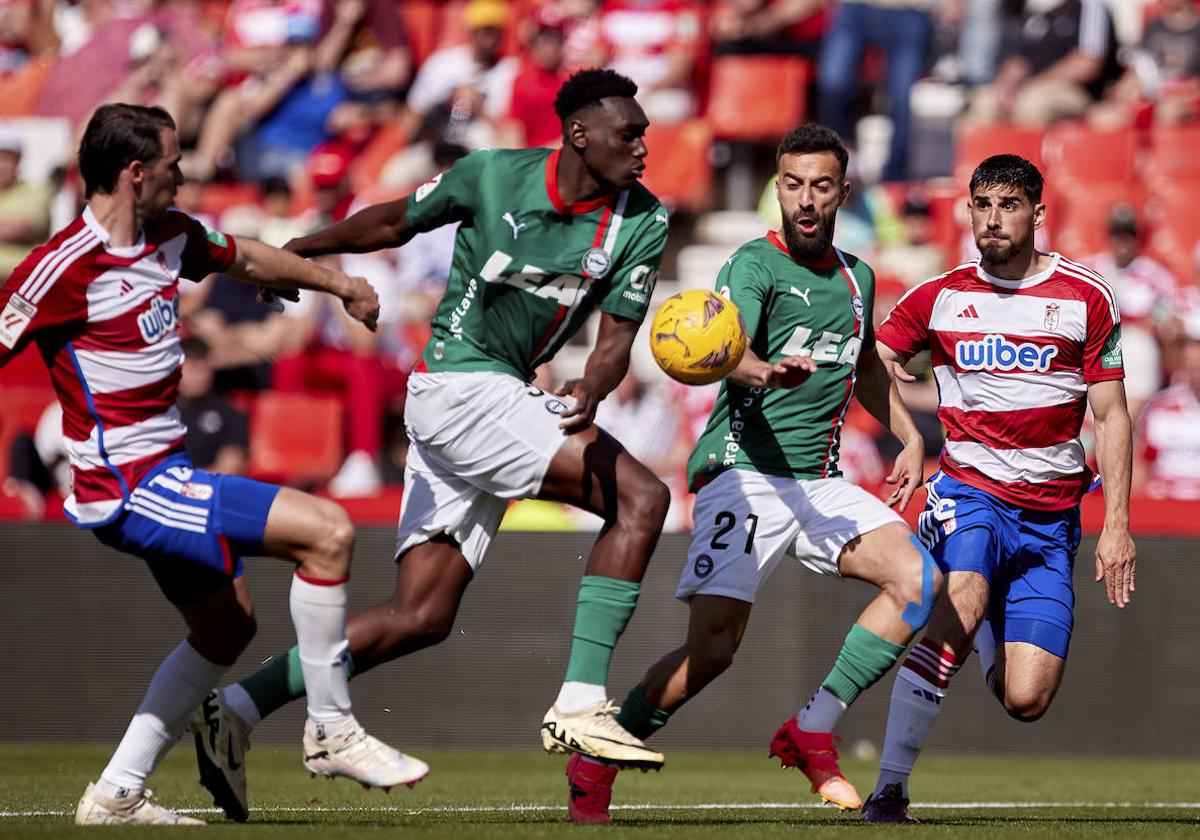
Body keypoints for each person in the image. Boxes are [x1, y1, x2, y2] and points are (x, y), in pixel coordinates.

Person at [191, 68, 674, 821]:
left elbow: (617, 341)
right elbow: (392, 222)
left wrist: (596, 386)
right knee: (643, 499)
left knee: (422, 613)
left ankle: (237, 710)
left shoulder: (642, 220)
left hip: (498, 397)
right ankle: (581, 700)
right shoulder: (493, 174)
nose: (644, 147)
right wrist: (303, 254)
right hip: (458, 385)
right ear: (580, 133)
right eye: (629, 133)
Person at [0, 103, 425, 826]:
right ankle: (330, 729)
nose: (184, 171)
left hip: (166, 470)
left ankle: (116, 795)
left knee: (228, 629)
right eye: (173, 161)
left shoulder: (171, 236)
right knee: (327, 531)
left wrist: (341, 284)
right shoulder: (60, 269)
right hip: (129, 486)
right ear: (136, 173)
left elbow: (248, 256)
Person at [563, 123, 940, 824]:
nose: (805, 200)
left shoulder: (858, 277)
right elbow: (720, 340)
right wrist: (764, 370)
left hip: (819, 482)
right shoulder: (755, 265)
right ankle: (595, 764)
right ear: (777, 188)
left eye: (821, 186)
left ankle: (812, 728)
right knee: (713, 651)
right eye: (792, 184)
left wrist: (910, 436)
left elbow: (864, 369)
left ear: (843, 193)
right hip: (745, 474)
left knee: (918, 580)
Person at [862, 154, 1136, 823]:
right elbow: (876, 358)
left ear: (1038, 214)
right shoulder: (940, 295)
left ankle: (986, 627)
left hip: (1050, 519)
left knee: (1026, 700)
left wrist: (1119, 525)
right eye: (980, 204)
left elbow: (1112, 415)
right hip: (968, 492)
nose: (992, 218)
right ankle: (890, 789)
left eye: (1007, 204)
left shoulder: (1085, 297)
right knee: (964, 590)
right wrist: (910, 436)